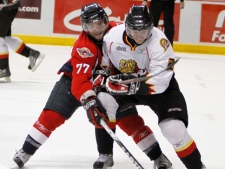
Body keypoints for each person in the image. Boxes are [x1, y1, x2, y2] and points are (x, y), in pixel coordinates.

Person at [9, 2, 171, 169]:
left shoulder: (120, 32)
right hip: (74, 82)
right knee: (51, 116)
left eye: (100, 23)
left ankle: (158, 157)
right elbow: (80, 80)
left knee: (130, 121)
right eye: (91, 25)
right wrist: (89, 99)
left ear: (107, 20)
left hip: (108, 84)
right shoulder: (83, 46)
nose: (97, 29)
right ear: (84, 27)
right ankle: (25, 151)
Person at [99, 5, 206, 169]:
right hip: (128, 85)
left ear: (151, 26)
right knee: (103, 102)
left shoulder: (161, 42)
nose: (139, 35)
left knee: (173, 129)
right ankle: (105, 155)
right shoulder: (111, 37)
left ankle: (197, 167)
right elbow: (103, 66)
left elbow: (160, 83)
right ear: (126, 26)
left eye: (144, 30)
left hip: (160, 91)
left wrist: (128, 85)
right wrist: (105, 80)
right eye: (135, 30)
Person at [0, 0, 45, 82]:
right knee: (5, 38)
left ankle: (3, 70)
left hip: (6, 7)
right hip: (7, 7)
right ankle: (31, 53)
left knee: (1, 39)